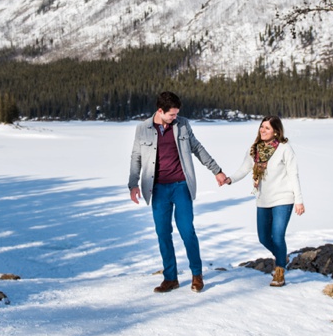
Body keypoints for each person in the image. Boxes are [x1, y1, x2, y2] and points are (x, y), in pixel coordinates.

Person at [129, 91, 227, 293]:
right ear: (160, 111)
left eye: (176, 114)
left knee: (186, 230)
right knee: (163, 233)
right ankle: (170, 278)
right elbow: (136, 157)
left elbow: (197, 148)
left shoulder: (182, 124)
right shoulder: (143, 129)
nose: (175, 117)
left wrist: (216, 170)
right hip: (157, 188)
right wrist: (133, 184)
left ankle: (197, 275)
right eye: (171, 114)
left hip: (181, 185)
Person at [219, 115, 304, 287]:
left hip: (283, 198)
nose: (263, 130)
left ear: (276, 131)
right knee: (264, 237)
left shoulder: (284, 148)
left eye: (267, 128)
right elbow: (244, 169)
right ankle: (282, 255)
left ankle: (279, 270)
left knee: (278, 236)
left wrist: (299, 201)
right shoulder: (254, 149)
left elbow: (293, 175)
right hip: (263, 199)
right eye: (261, 127)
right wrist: (230, 179)